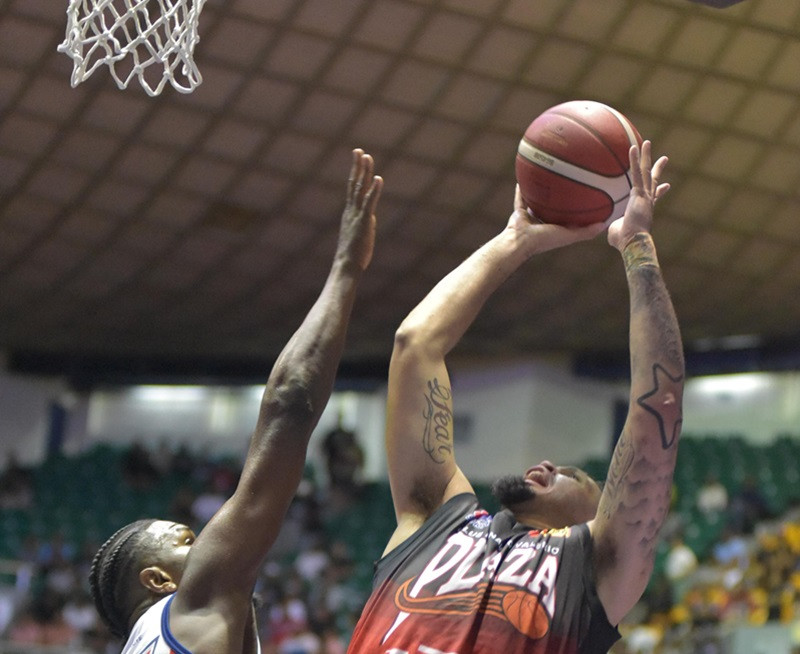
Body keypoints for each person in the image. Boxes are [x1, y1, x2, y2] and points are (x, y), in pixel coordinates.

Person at [347, 141, 685, 653]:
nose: (549, 463)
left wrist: (637, 245)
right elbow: (416, 346)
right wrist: (516, 240)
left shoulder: (592, 567)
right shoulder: (437, 518)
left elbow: (656, 404)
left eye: (574, 476)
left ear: (598, 517)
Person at [88, 149, 383, 654]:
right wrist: (346, 268)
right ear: (160, 580)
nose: (208, 542)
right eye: (188, 542)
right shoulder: (190, 604)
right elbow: (291, 402)